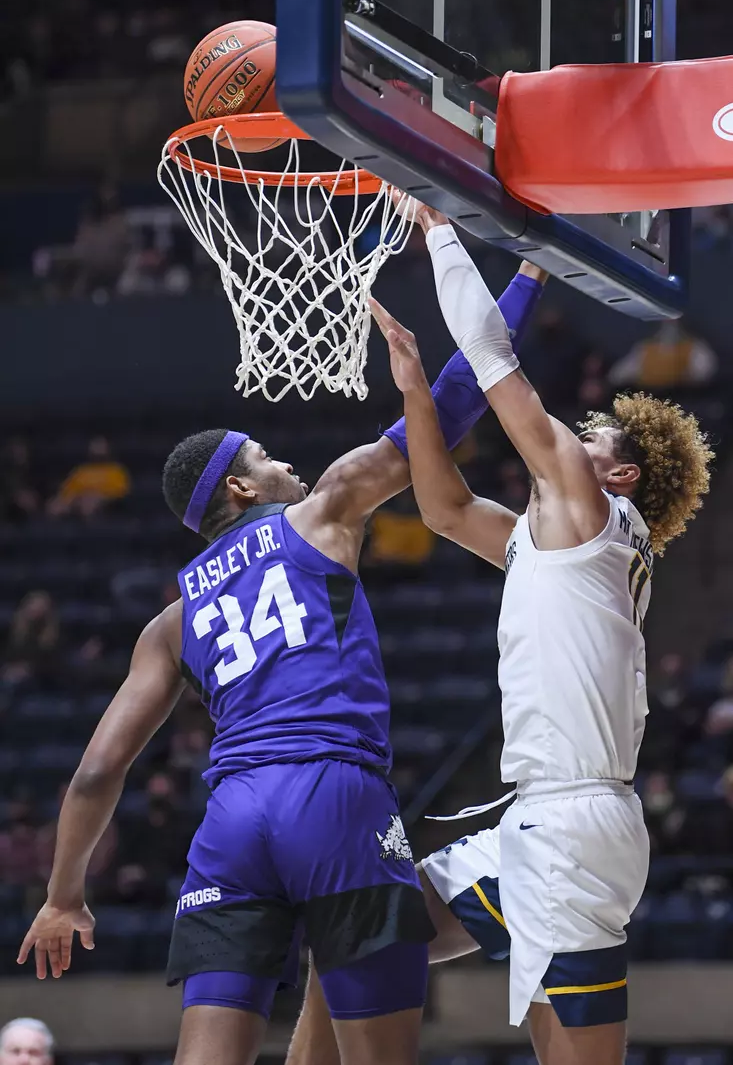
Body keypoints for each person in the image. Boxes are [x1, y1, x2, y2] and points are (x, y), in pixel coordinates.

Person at [17, 209, 546, 1065]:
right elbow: (445, 412)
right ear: (240, 486)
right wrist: (527, 277)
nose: (285, 464)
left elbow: (95, 771)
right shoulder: (323, 509)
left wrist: (63, 897)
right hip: (332, 797)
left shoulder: (171, 619)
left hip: (230, 820)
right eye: (265, 456)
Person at [284, 207, 713, 1065]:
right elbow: (442, 511)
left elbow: (493, 363)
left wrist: (441, 229)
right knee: (361, 932)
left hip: (570, 824)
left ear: (620, 473)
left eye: (589, 436)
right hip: (550, 821)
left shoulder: (592, 509)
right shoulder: (555, 539)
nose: (571, 433)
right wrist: (412, 385)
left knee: (373, 934)